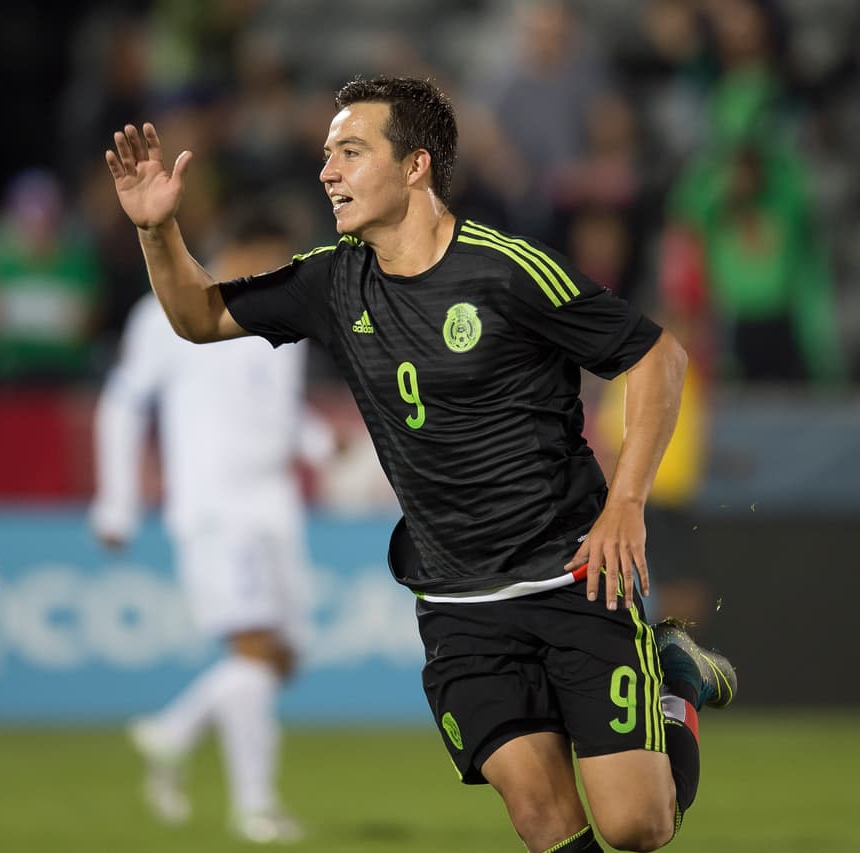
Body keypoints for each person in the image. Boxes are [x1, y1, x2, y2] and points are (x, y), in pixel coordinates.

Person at [105, 76, 737, 853]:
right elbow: (198, 316)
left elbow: (657, 357)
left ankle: (672, 691)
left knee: (637, 824)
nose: (327, 171)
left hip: (572, 576)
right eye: (327, 154)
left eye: (350, 151)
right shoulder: (332, 280)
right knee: (542, 816)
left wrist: (626, 503)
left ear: (415, 166)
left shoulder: (506, 271)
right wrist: (157, 231)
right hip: (459, 602)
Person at [90, 212, 330, 844]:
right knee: (251, 652)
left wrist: (312, 440)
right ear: (237, 247)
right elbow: (122, 403)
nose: (280, 270)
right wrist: (116, 503)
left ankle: (173, 732)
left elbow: (266, 408)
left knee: (285, 656)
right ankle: (255, 809)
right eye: (271, 254)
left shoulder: (280, 313)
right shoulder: (166, 313)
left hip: (276, 507)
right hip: (216, 510)